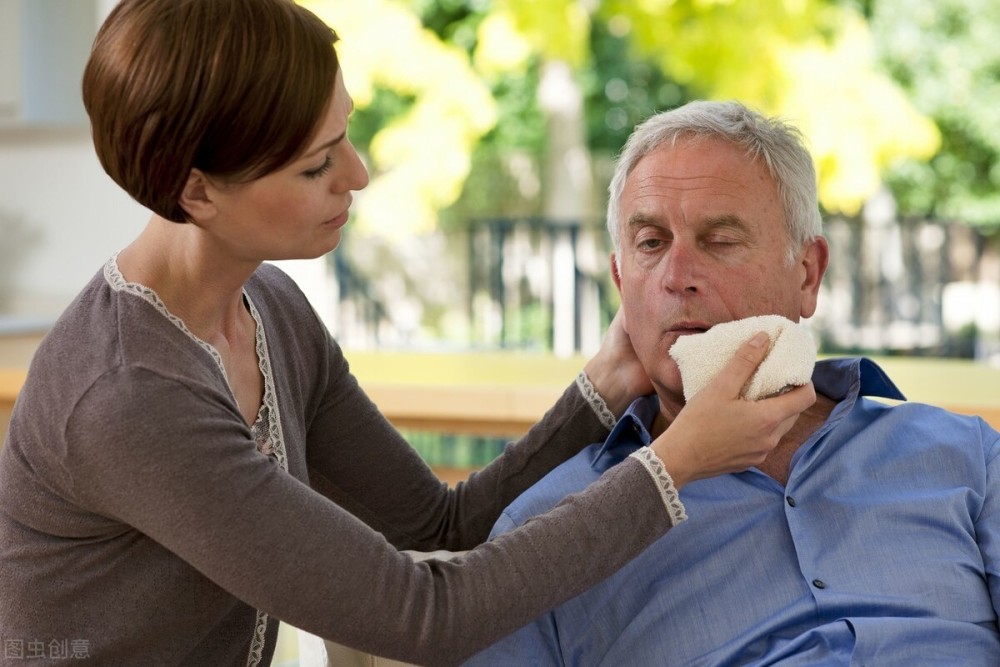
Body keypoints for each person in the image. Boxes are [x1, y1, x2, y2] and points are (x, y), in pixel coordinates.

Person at [0, 3, 817, 666]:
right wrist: (676, 463)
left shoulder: (268, 307)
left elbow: (439, 527)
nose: (356, 175)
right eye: (317, 165)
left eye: (345, 134)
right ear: (197, 192)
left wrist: (599, 392)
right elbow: (428, 618)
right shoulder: (130, 397)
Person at [465, 100, 1000, 666]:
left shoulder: (968, 456)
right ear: (621, 283)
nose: (676, 277)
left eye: (720, 240)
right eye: (651, 243)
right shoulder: (539, 534)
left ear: (808, 275)